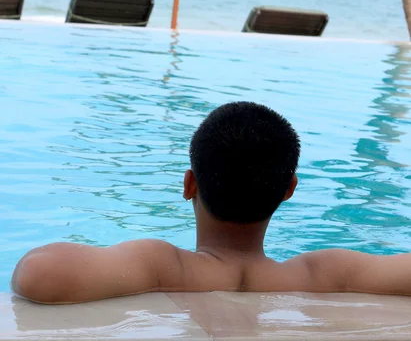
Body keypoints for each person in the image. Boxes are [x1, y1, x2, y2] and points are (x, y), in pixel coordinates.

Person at [11, 102, 411, 304]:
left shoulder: (162, 266)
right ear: (289, 189)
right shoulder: (325, 273)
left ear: (189, 184)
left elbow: (39, 274)